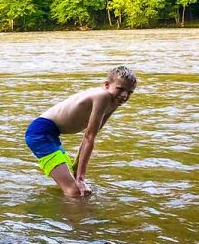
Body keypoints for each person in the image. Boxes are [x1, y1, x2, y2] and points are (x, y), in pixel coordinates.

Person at [25, 66, 138, 197]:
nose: (124, 95)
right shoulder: (102, 96)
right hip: (40, 133)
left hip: (51, 135)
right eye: (120, 89)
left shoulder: (114, 103)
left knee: (76, 186)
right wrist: (81, 179)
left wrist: (77, 171)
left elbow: (88, 138)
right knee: (75, 191)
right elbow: (89, 138)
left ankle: (65, 211)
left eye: (130, 92)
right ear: (106, 85)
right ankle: (72, 217)